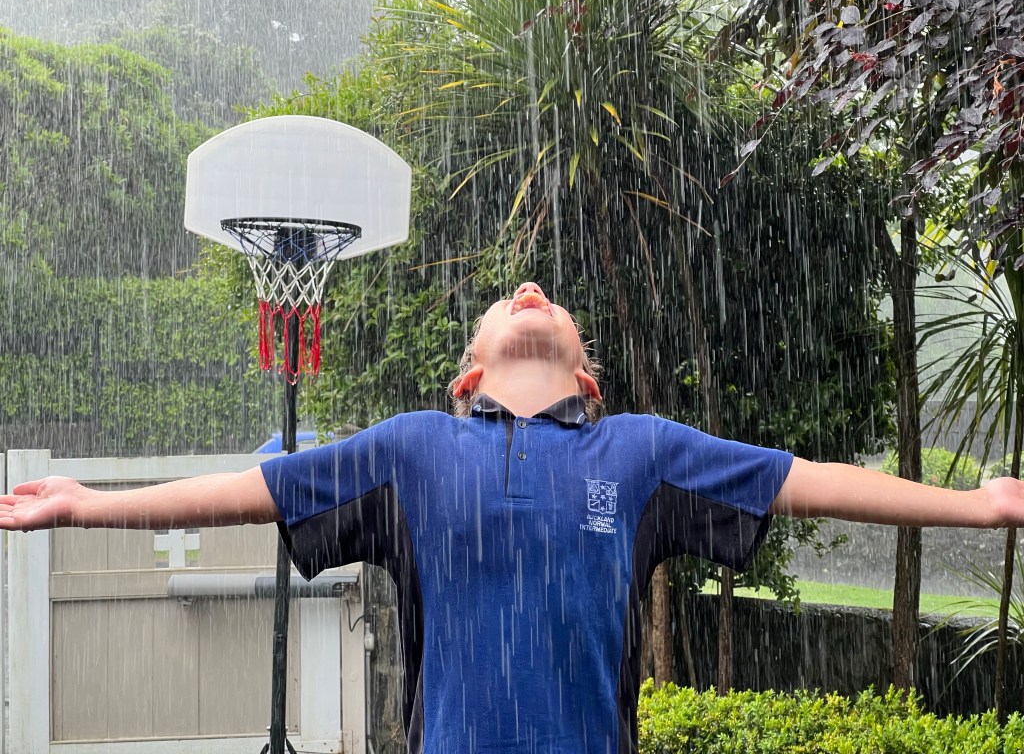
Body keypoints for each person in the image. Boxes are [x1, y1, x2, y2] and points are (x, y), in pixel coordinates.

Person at [2, 281, 1023, 754]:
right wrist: (90, 506)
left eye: (550, 301)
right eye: (508, 299)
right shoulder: (410, 448)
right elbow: (253, 489)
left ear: (587, 376)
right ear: (467, 377)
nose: (531, 289)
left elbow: (811, 479)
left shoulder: (640, 452)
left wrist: (976, 508)